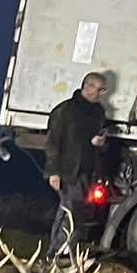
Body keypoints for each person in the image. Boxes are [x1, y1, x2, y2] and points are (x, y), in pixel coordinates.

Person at [44, 71, 111, 251]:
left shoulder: (99, 112)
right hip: (68, 170)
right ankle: (57, 252)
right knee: (70, 210)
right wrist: (53, 172)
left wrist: (101, 142)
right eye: (98, 89)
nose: (100, 94)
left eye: (103, 90)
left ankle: (63, 251)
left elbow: (102, 137)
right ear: (87, 87)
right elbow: (52, 143)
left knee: (74, 211)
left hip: (88, 171)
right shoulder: (65, 110)